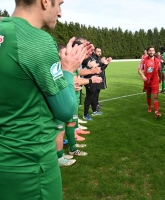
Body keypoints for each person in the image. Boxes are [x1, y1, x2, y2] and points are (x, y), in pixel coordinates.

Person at [0, 0, 93, 199]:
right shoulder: (37, 40)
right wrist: (67, 70)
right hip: (31, 166)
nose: (59, 13)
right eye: (58, 4)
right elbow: (66, 111)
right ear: (44, 1)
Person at [138, 46, 162, 118]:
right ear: (147, 52)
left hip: (155, 81)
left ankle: (157, 112)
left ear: (154, 52)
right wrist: (142, 75)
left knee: (155, 96)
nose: (151, 52)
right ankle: (149, 106)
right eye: (150, 50)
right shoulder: (144, 60)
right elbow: (139, 69)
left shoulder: (157, 61)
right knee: (148, 95)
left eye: (153, 50)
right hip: (147, 82)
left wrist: (160, 78)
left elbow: (159, 71)